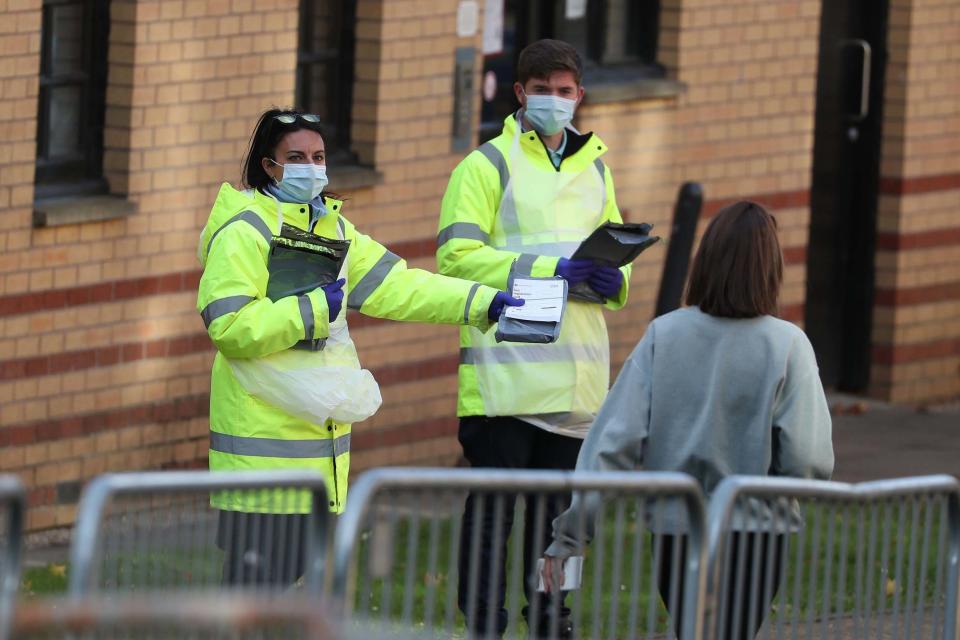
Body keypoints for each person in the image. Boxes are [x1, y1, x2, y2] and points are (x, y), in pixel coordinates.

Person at [196, 108, 522, 587]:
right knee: (252, 599)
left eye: (319, 156)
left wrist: (484, 302)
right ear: (269, 166)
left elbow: (401, 286)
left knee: (280, 591)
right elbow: (228, 325)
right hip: (261, 462)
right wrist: (310, 309)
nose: (312, 166)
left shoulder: (334, 231)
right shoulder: (245, 230)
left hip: (317, 451)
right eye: (297, 158)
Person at [541, 201, 834, 639]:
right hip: (756, 531)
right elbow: (809, 460)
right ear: (770, 269)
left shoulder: (664, 334)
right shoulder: (788, 346)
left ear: (706, 261)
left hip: (677, 530)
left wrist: (570, 535)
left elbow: (610, 445)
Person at [436, 39, 632, 638]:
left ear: (580, 96)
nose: (554, 100)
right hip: (506, 377)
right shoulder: (485, 165)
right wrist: (552, 272)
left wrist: (611, 277)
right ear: (519, 94)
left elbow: (619, 256)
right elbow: (456, 257)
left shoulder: (596, 166)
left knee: (562, 524)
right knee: (493, 518)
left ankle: (551, 618)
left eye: (565, 90)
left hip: (576, 385)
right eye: (541, 89)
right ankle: (486, 626)